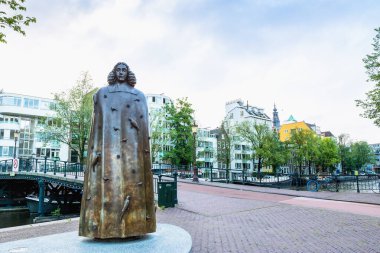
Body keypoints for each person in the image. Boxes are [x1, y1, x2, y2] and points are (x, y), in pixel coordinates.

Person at [79, 62, 156, 239]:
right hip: (109, 148)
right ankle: (104, 226)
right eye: (118, 70)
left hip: (133, 150)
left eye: (124, 70)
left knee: (132, 184)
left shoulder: (139, 95)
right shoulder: (102, 94)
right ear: (114, 72)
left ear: (128, 73)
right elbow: (97, 127)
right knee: (109, 183)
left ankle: (135, 226)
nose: (121, 72)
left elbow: (143, 127)